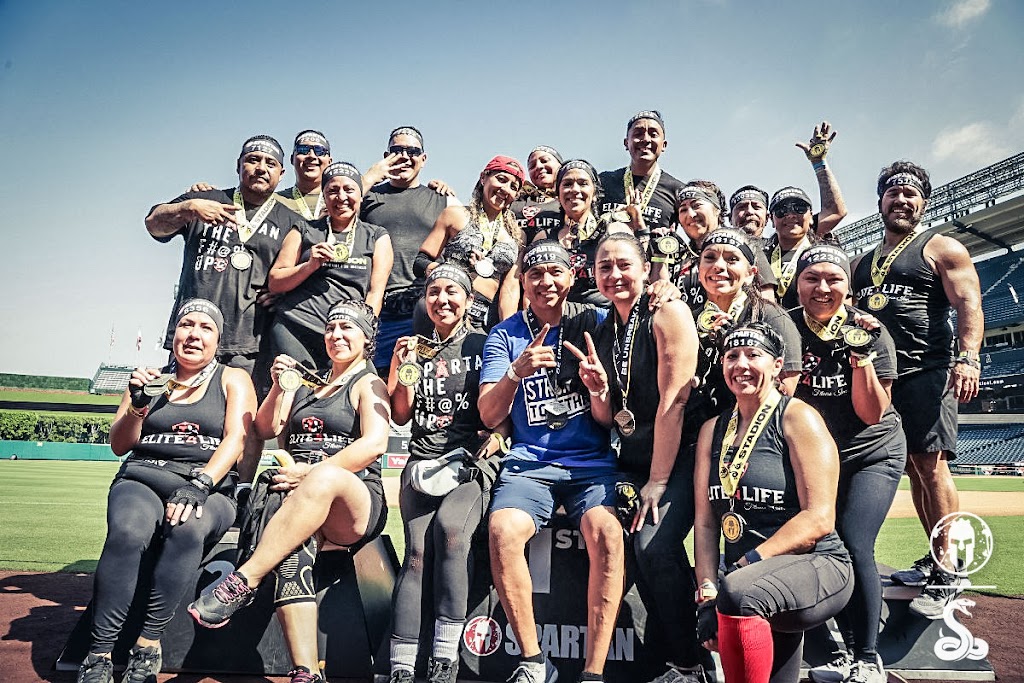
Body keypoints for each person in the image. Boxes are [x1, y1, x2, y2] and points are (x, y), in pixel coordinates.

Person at [187, 300, 390, 683]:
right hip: (299, 500)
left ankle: (245, 579)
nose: (336, 335)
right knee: (291, 558)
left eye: (347, 328)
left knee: (323, 479)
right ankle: (306, 671)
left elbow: (375, 444)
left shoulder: (369, 383)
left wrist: (309, 471)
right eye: (331, 328)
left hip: (353, 500)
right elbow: (265, 428)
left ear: (366, 339)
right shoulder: (307, 382)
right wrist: (280, 386)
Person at [76, 299, 256, 683]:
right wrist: (138, 405)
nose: (194, 334)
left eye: (205, 328)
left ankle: (147, 645)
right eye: (186, 325)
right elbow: (120, 445)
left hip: (208, 487)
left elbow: (236, 439)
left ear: (218, 340)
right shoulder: (149, 378)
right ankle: (99, 653)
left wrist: (200, 484)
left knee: (188, 527)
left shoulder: (232, 378)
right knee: (127, 533)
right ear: (173, 334)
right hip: (143, 478)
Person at [478, 241, 626, 683]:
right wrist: (515, 373)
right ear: (522, 283)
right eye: (535, 274)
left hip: (592, 465)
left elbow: (607, 418)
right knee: (503, 530)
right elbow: (488, 415)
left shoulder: (595, 321)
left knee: (608, 534)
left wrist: (599, 390)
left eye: (555, 272)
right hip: (531, 464)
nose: (546, 282)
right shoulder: (506, 334)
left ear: (571, 277)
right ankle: (532, 661)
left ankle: (593, 672)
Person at [850, 161, 982, 618]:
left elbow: (968, 302)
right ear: (880, 202)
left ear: (923, 203)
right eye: (894, 193)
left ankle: (950, 569)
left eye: (911, 194)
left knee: (931, 466)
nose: (902, 200)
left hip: (927, 370)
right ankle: (936, 556)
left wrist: (968, 357)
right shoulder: (862, 262)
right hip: (883, 379)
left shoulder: (940, 247)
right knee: (913, 468)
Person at [692, 323, 853, 683]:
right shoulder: (711, 430)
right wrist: (707, 591)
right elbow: (705, 522)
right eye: (732, 356)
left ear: (778, 365)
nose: (741, 364)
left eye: (754, 355)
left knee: (738, 593)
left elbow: (818, 519)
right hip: (751, 581)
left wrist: (745, 565)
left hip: (816, 564)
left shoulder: (797, 417)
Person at [589, 234, 709, 682]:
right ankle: (663, 658)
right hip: (634, 455)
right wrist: (599, 392)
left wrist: (657, 481)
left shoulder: (667, 312)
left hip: (682, 454)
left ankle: (692, 663)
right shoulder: (605, 326)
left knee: (653, 544)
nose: (615, 274)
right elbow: (609, 416)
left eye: (624, 265)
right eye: (605, 267)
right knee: (632, 549)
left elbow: (674, 403)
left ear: (645, 269)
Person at [788, 245, 907, 683]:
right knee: (814, 543)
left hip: (872, 450)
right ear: (797, 285)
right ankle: (834, 653)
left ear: (849, 286)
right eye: (811, 278)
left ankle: (867, 657)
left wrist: (862, 356)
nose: (822, 288)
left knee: (855, 543)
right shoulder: (786, 327)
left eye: (833, 279)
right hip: (819, 457)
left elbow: (872, 413)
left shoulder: (870, 330)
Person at [385, 264, 499, 683]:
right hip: (421, 462)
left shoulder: (485, 343)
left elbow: (503, 403)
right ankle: (401, 665)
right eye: (433, 292)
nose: (442, 300)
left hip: (469, 462)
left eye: (452, 291)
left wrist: (500, 434)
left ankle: (445, 658)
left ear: (468, 300)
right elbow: (401, 414)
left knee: (451, 532)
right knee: (415, 554)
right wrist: (401, 369)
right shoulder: (413, 347)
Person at [268, 161, 393, 369]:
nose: (341, 197)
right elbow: (275, 282)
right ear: (324, 196)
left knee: (362, 384)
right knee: (299, 387)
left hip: (344, 335)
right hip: (297, 326)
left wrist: (362, 331)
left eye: (349, 190)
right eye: (333, 190)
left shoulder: (376, 236)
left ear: (361, 195)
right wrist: (309, 265)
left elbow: (375, 293)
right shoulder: (304, 229)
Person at [360, 126, 459, 371]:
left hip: (426, 309)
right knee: (378, 382)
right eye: (397, 151)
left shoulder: (442, 198)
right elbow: (328, 217)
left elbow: (474, 235)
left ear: (423, 159)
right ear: (386, 156)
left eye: (413, 151)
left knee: (426, 381)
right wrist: (369, 178)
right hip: (378, 309)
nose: (405, 156)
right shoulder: (366, 197)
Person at [691, 229, 802, 430]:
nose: (718, 266)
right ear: (699, 270)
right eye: (710, 258)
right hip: (697, 431)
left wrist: (735, 350)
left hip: (752, 433)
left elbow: (787, 391)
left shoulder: (772, 317)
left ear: (751, 274)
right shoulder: (689, 318)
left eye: (732, 259)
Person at [417, 155, 526, 329]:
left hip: (480, 316)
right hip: (444, 308)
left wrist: (507, 328)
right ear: (483, 178)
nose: (505, 189)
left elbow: (510, 288)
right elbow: (420, 262)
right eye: (501, 179)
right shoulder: (455, 214)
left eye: (513, 187)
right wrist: (451, 271)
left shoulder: (517, 235)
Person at [651, 181, 777, 303]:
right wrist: (660, 253)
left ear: (717, 210)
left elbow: (767, 300)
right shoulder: (678, 254)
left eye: (696, 206)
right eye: (683, 209)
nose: (690, 214)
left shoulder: (744, 245)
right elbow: (660, 298)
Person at [534, 160, 634, 307]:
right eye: (567, 184)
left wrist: (642, 229)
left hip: (606, 316)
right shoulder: (545, 238)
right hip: (558, 316)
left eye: (583, 183)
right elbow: (531, 290)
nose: (575, 189)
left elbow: (636, 278)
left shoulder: (614, 231)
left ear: (595, 193)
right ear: (558, 194)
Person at [730, 122, 847, 243]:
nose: (749, 211)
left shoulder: (783, 242)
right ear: (729, 218)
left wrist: (819, 163)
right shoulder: (718, 246)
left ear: (768, 218)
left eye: (756, 207)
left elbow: (834, 213)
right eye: (741, 207)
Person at [599, 110, 685, 242]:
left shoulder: (677, 190)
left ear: (664, 145)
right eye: (638, 134)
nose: (646, 139)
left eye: (653, 134)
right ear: (626, 143)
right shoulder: (603, 182)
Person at [276, 130, 333, 221]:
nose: (312, 156)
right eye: (303, 150)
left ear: (329, 162)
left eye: (319, 151)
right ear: (292, 159)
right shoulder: (274, 201)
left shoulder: (341, 202)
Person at [512, 145, 563, 242]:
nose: (538, 166)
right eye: (532, 166)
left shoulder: (570, 202)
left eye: (544, 161)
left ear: (561, 167)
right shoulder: (514, 200)